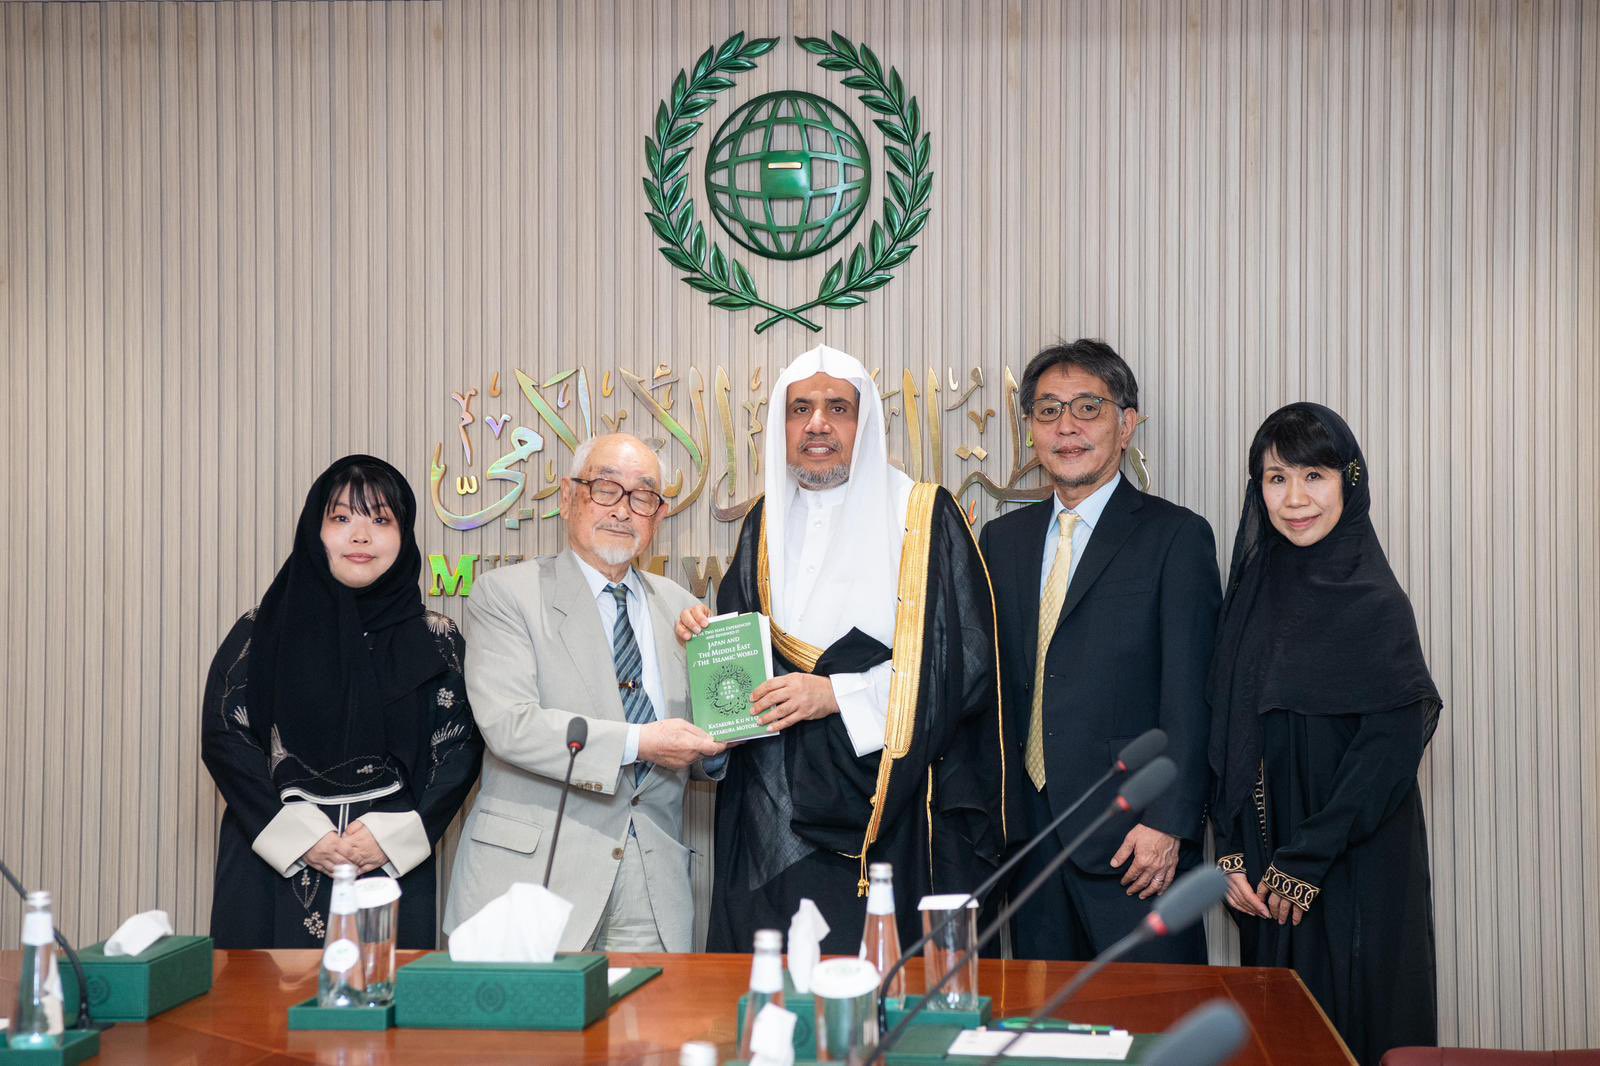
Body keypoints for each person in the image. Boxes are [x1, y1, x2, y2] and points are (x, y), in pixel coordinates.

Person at [679, 344, 1006, 955]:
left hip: (893, 808)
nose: (818, 424)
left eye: (837, 408)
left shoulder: (924, 514)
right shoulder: (762, 524)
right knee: (772, 999)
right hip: (773, 812)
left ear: (866, 423)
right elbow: (743, 666)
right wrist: (708, 644)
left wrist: (837, 695)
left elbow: (961, 666)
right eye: (800, 408)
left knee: (884, 999)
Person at [1209, 402, 1439, 1065]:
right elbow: (1226, 724)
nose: (1295, 498)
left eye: (1315, 475)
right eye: (1276, 479)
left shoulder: (1377, 603)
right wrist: (1231, 850)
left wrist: (1303, 861)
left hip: (1350, 860)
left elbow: (1387, 752)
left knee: (1352, 1029)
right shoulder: (1253, 593)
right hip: (1262, 863)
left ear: (1349, 481)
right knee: (1278, 1038)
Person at [980, 339, 1219, 963]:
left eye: (1088, 407)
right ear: (1029, 428)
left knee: (1149, 1030)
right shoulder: (1000, 541)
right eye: (1048, 410)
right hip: (1026, 842)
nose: (1067, 428)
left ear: (1127, 424)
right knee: (1041, 1035)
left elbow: (1192, 693)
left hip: (1133, 841)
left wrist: (1169, 821)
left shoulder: (1176, 537)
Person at [443, 433, 727, 952]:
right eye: (605, 489)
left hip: (651, 890)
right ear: (569, 497)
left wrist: (721, 743)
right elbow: (511, 725)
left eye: (642, 496)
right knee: (524, 1034)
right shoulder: (507, 594)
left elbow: (697, 742)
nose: (623, 510)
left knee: (649, 1033)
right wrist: (640, 742)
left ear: (658, 516)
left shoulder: (683, 610)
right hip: (532, 878)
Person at [202, 455, 483, 949]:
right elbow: (226, 737)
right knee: (258, 1020)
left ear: (404, 534)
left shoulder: (435, 639)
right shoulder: (260, 629)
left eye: (381, 519)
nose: (361, 535)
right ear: (316, 530)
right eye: (341, 517)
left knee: (381, 1015)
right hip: (271, 865)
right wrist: (298, 838)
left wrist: (395, 838)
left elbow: (459, 749)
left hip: (386, 864)